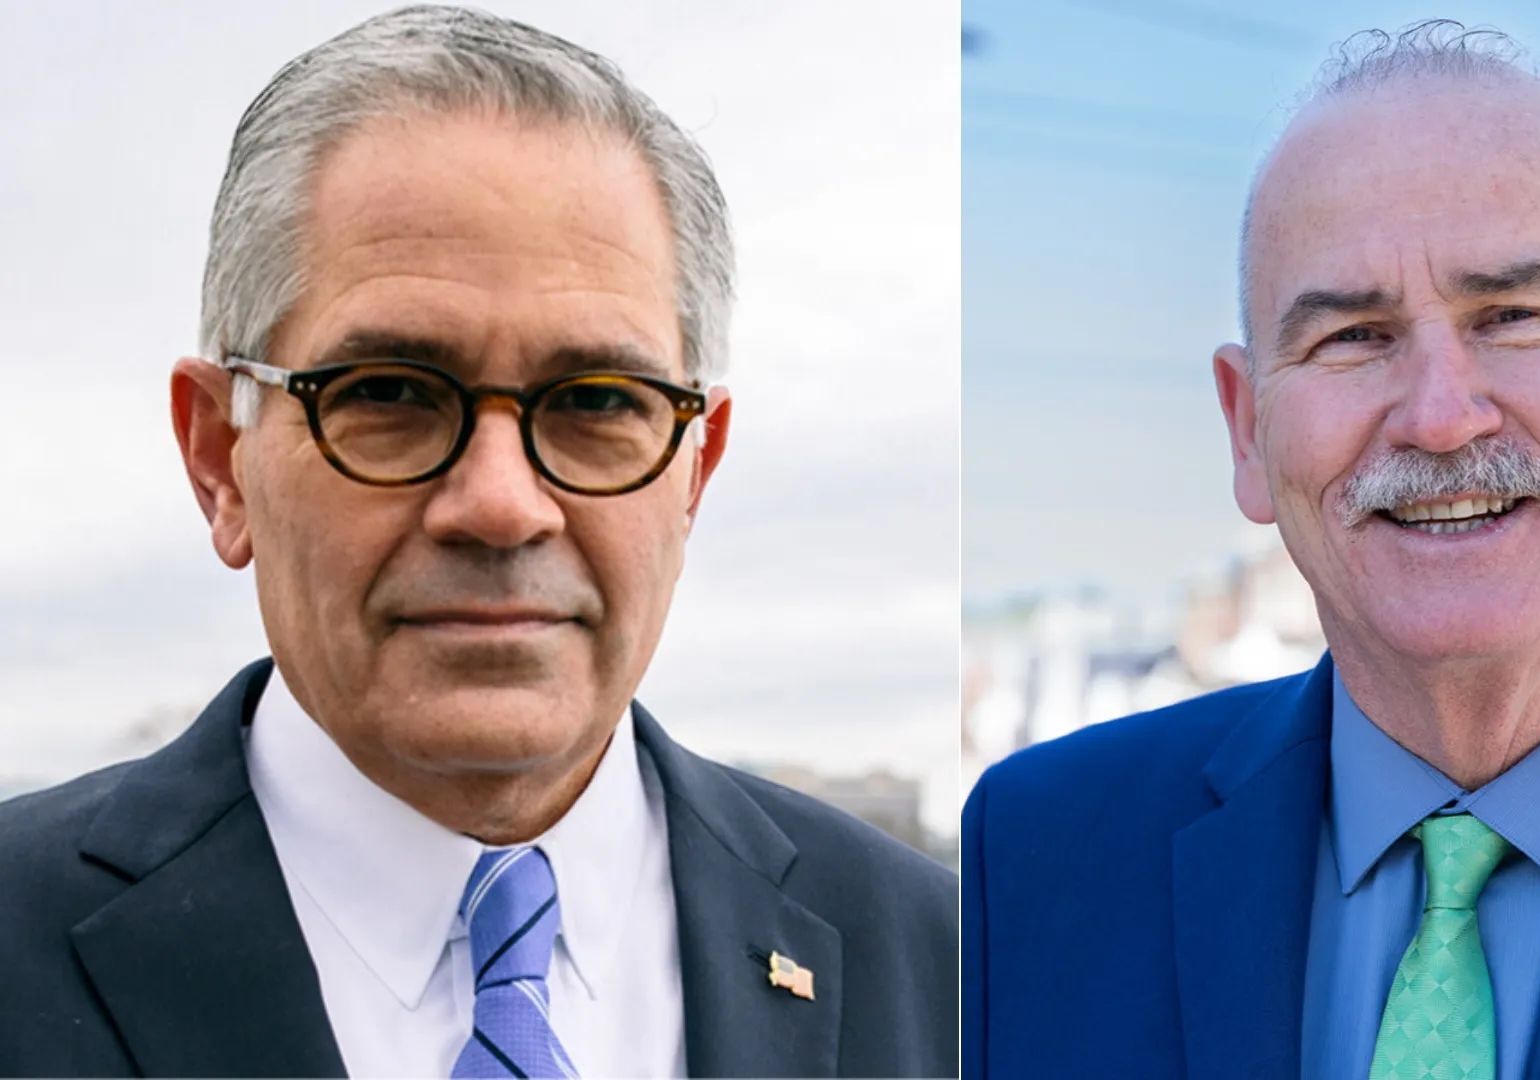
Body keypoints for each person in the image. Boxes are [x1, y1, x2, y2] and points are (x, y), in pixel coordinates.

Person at [0, 7, 954, 1077]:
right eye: (390, 392)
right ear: (222, 458)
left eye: (596, 401)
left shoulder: (939, 957)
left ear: (696, 467)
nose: (502, 506)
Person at [962, 22, 1540, 1079]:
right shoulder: (1031, 865)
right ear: (1247, 431)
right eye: (1352, 338)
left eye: (1514, 315)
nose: (1439, 416)